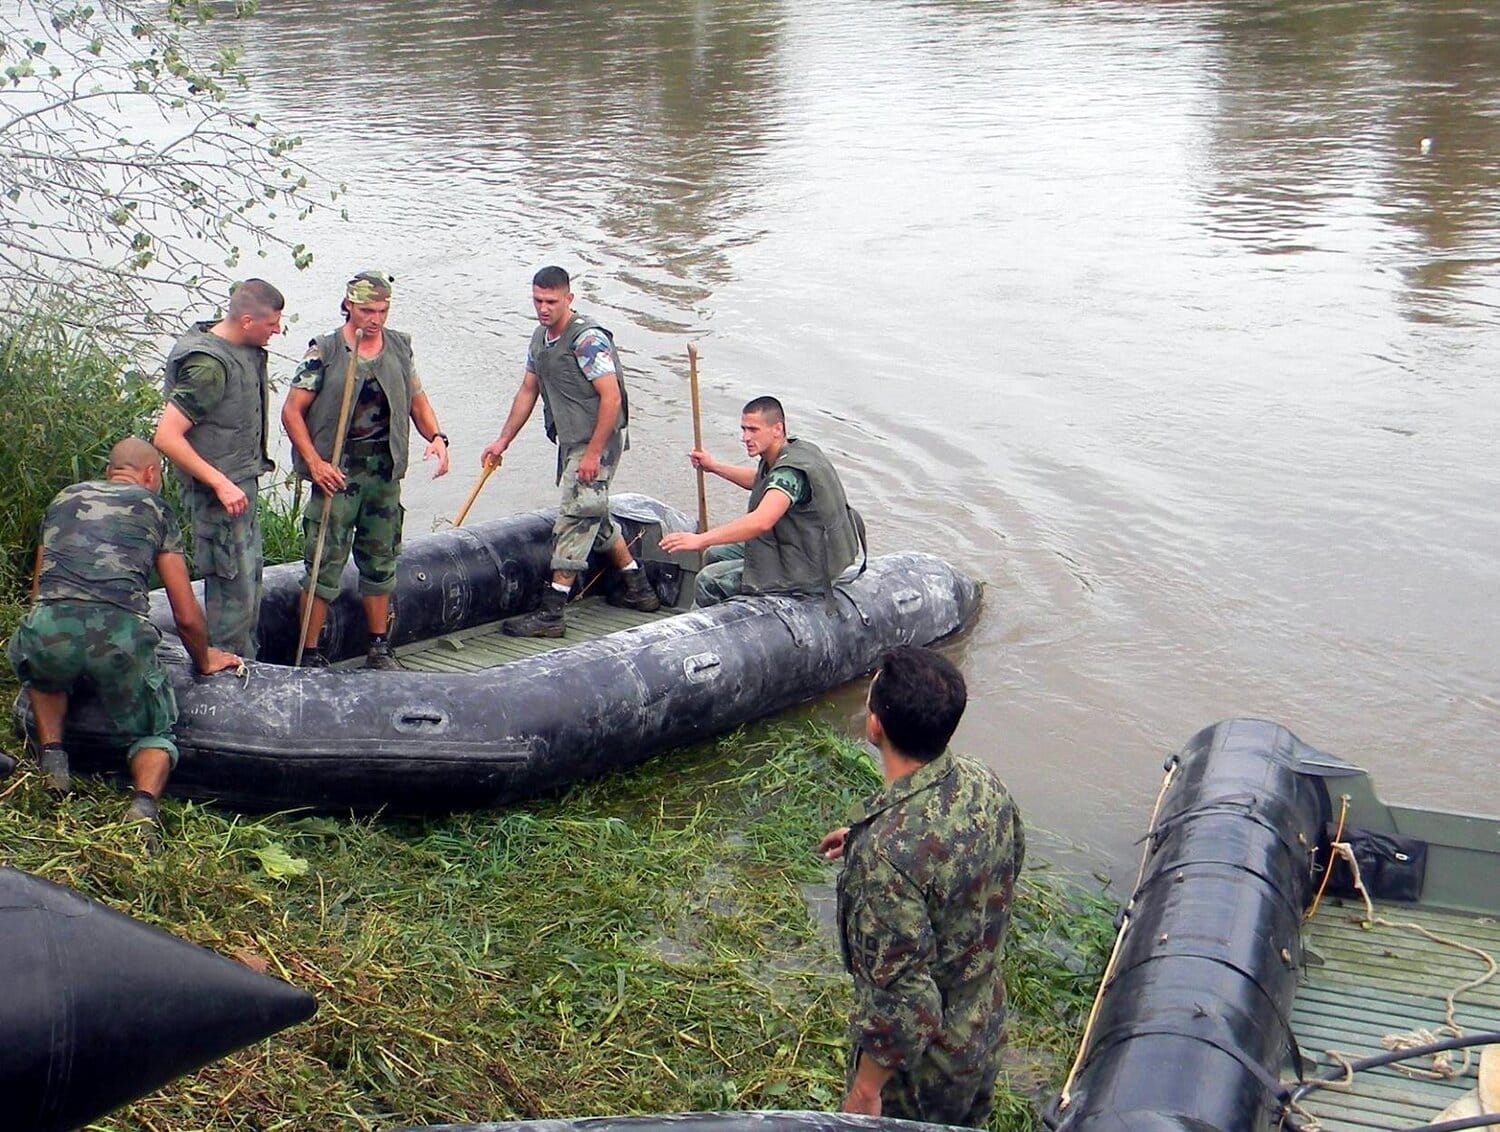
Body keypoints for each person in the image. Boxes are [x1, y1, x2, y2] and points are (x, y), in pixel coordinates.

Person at [818, 645, 1025, 1127]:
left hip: (921, 1072)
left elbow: (906, 1002)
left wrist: (866, 1091)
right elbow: (1005, 861)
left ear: (874, 727)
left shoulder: (885, 860)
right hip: (983, 1026)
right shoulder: (982, 781)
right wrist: (863, 836)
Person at [6, 438, 242, 836]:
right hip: (119, 638)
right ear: (150, 474)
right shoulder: (156, 509)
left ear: (110, 471)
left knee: (45, 667)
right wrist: (205, 659)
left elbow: (40, 593)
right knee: (154, 731)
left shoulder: (63, 499)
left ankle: (53, 756)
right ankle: (144, 805)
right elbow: (185, 615)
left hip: (50, 626)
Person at [281, 269, 451, 669]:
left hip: (383, 472)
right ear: (348, 306)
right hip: (338, 474)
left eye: (382, 311)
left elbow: (417, 400)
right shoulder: (324, 352)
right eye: (366, 311)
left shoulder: (399, 348)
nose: (375, 319)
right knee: (323, 565)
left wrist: (437, 437)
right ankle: (309, 653)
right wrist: (315, 463)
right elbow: (292, 411)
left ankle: (379, 647)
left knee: (381, 560)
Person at [480, 265, 660, 637]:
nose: (543, 308)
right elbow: (528, 390)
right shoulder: (540, 339)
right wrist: (502, 440)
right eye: (537, 301)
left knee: (576, 516)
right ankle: (639, 589)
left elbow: (611, 398)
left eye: (551, 301)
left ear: (568, 299)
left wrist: (593, 453)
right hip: (571, 440)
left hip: (597, 441)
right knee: (595, 515)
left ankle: (552, 613)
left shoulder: (587, 341)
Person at [154, 278, 284, 658]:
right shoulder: (208, 367)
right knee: (232, 592)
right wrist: (221, 483)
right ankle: (231, 664)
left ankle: (247, 659)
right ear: (246, 321)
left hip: (240, 487)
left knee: (249, 583)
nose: (278, 331)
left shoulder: (241, 346)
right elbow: (166, 436)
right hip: (219, 497)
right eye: (272, 324)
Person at [659, 396, 863, 606]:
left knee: (707, 581)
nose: (745, 437)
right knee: (714, 554)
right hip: (799, 546)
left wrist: (700, 539)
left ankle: (717, 622)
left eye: (753, 430)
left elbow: (761, 521)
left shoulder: (790, 472)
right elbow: (760, 481)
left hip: (809, 566)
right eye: (743, 429)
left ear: (777, 429)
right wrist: (714, 467)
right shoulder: (791, 451)